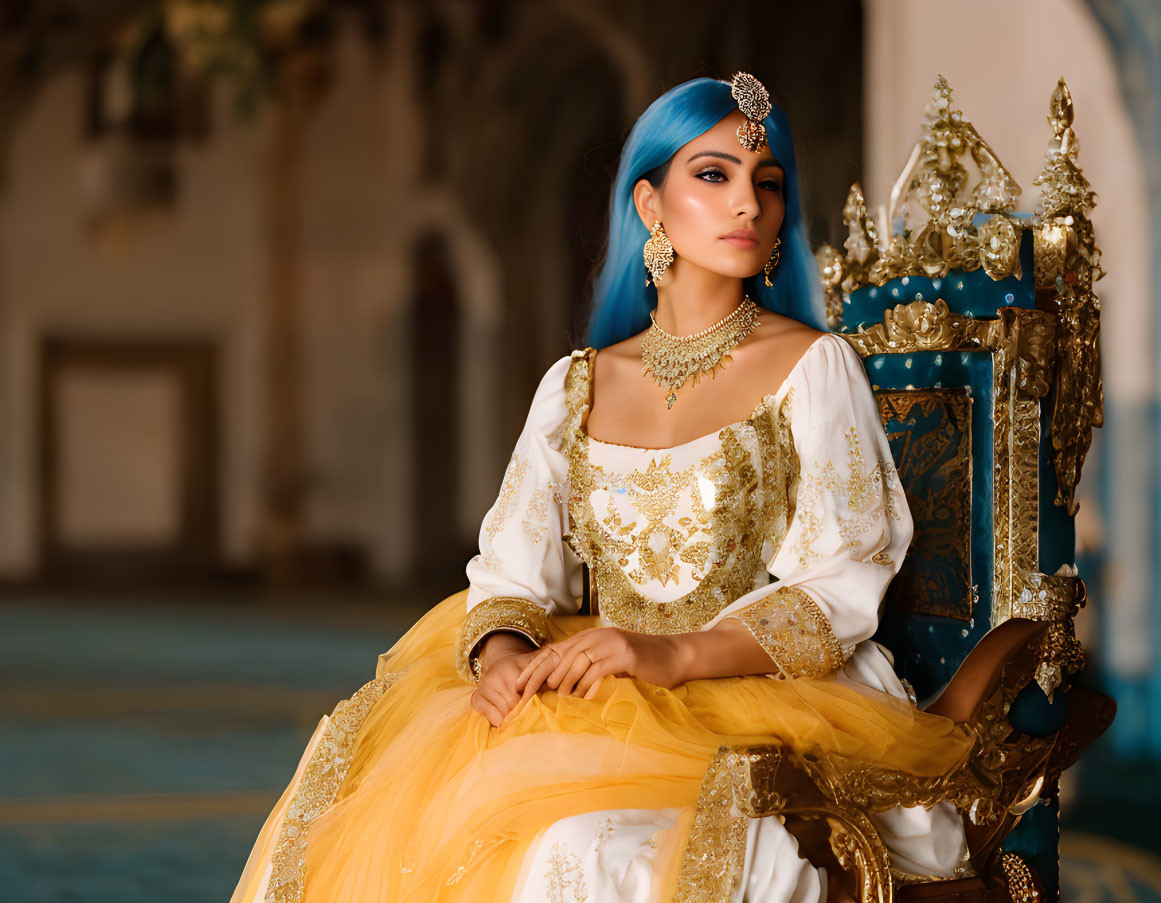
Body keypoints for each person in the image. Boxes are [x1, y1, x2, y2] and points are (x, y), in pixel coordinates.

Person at [232, 72, 975, 903]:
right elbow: (511, 571)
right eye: (712, 174)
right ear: (650, 204)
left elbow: (845, 572)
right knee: (398, 807)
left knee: (576, 849)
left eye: (766, 184)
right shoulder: (573, 386)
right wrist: (505, 658)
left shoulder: (810, 366)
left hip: (756, 693)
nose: (746, 204)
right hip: (595, 693)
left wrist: (670, 653)